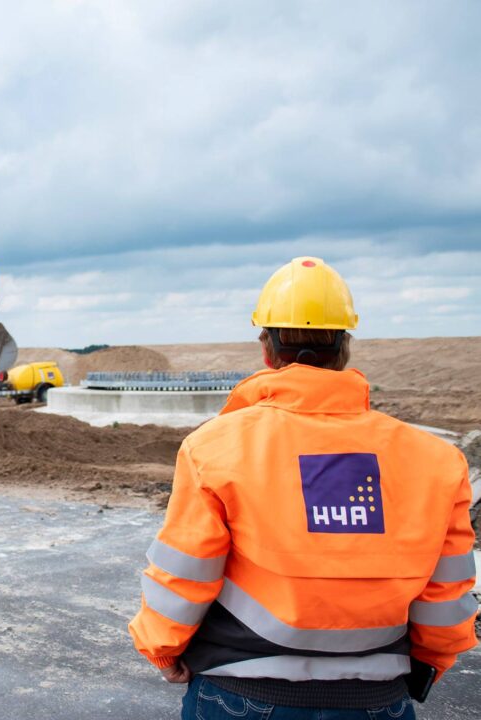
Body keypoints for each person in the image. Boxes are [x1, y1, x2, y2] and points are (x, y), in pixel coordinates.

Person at [128, 257, 477, 719]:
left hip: (241, 692)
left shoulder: (215, 447)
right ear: (345, 346)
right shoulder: (436, 460)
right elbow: (446, 591)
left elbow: (187, 571)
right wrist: (432, 662)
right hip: (377, 697)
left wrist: (163, 649)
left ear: (266, 348)